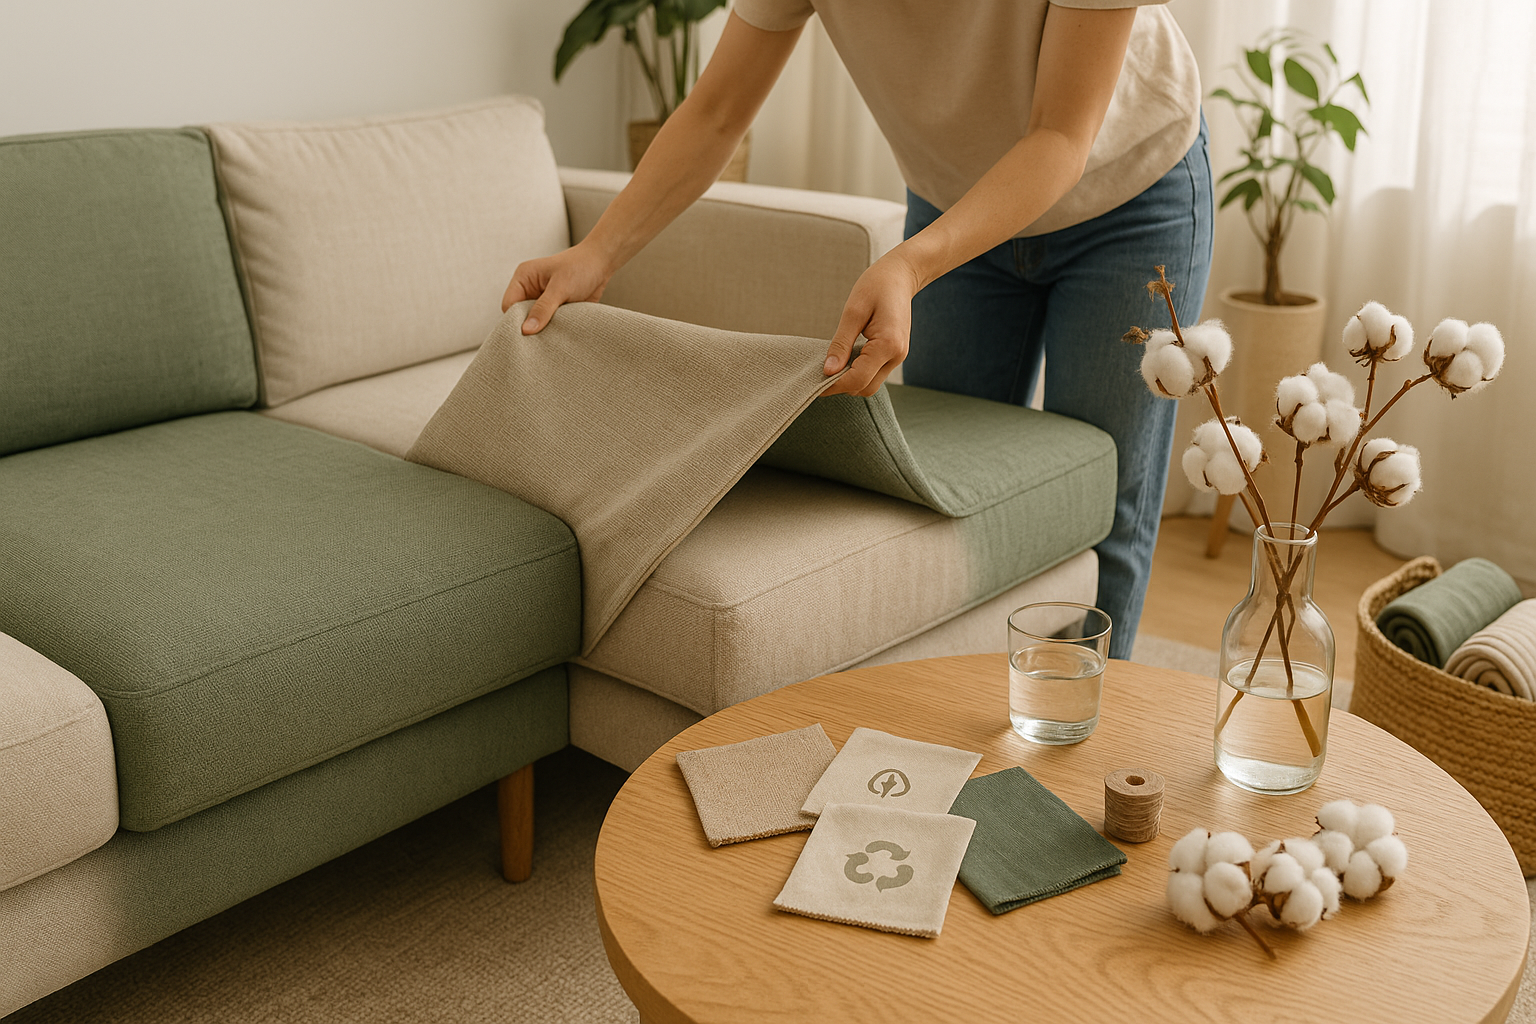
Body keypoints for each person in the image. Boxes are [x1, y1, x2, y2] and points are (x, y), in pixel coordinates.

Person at [503, 0, 1211, 659]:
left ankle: (1080, 742)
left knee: (1103, 501)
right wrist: (596, 252)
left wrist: (908, 266)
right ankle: (968, 719)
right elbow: (717, 111)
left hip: (1129, 196)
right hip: (954, 202)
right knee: (952, 496)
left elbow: (1062, 133)